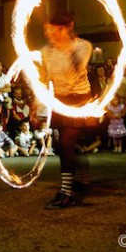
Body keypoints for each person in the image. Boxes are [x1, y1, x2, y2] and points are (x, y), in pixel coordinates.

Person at [39, 11, 93, 209]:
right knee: (65, 145)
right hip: (59, 101)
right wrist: (38, 108)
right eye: (48, 29)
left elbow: (74, 73)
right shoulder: (46, 52)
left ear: (69, 26)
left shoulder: (82, 47)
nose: (50, 33)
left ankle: (66, 193)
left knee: (66, 143)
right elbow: (44, 80)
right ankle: (80, 173)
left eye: (56, 29)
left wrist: (65, 48)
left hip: (78, 101)